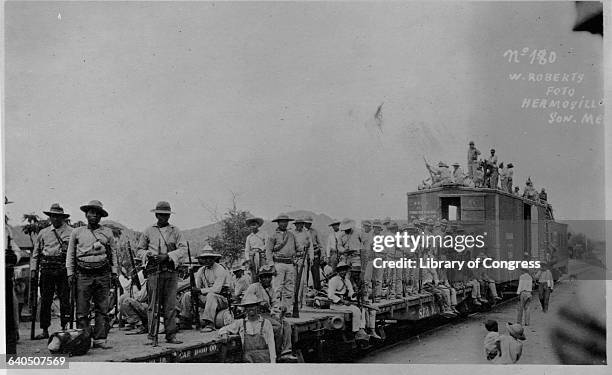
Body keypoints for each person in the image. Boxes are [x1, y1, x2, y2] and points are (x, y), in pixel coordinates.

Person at [66, 200, 119, 349]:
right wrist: (70, 273)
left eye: (97, 213)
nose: (94, 216)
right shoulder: (77, 232)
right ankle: (83, 339)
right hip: (83, 274)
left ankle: (100, 339)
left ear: (101, 216)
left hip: (102, 273)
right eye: (91, 212)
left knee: (102, 308)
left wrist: (114, 272)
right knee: (82, 310)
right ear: (86, 214)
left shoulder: (107, 232)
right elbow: (70, 254)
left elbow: (113, 253)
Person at [136, 201, 187, 344]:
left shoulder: (175, 231)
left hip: (170, 271)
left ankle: (171, 335)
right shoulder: (148, 231)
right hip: (154, 271)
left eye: (166, 215)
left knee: (170, 305)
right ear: (156, 214)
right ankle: (152, 336)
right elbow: (139, 250)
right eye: (161, 214)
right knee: (153, 304)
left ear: (169, 215)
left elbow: (183, 249)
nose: (163, 217)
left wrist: (168, 256)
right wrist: (148, 254)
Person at [31, 203, 73, 339]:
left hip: (63, 270)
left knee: (65, 300)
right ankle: (44, 329)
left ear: (63, 217)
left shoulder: (71, 232)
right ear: (50, 217)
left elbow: (74, 254)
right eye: (53, 216)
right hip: (47, 270)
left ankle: (65, 327)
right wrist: (33, 270)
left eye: (58, 216)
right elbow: (36, 253)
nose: (55, 219)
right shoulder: (43, 233)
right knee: (45, 301)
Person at [243, 265, 297, 361]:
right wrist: (259, 303)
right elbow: (246, 302)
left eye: (269, 277)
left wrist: (280, 308)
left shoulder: (271, 289)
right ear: (260, 278)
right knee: (277, 327)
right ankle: (276, 352)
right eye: (264, 277)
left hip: (268, 314)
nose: (267, 279)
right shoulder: (254, 287)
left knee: (286, 324)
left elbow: (274, 303)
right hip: (256, 314)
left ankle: (286, 351)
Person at [178, 248, 232, 332]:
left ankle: (209, 323)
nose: (207, 260)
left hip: (221, 299)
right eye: (204, 258)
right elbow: (197, 286)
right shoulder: (201, 270)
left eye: (209, 258)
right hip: (207, 298)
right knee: (188, 295)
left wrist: (200, 290)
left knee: (211, 295)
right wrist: (194, 289)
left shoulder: (220, 270)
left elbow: (217, 289)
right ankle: (186, 320)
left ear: (214, 258)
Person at [218, 294, 276, 363]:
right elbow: (223, 329)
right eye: (248, 306)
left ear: (257, 307)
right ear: (245, 309)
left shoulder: (266, 323)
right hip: (248, 362)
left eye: (253, 305)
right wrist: (224, 334)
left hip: (264, 361)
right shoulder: (241, 323)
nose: (251, 308)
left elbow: (271, 345)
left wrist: (273, 364)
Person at [266, 214, 299, 315]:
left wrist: (302, 249)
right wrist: (271, 265)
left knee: (289, 288)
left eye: (286, 222)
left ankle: (287, 309)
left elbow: (298, 248)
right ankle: (276, 309)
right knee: (277, 288)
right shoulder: (273, 236)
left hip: (290, 264)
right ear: (278, 223)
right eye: (282, 222)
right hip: (278, 263)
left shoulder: (291, 235)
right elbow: (268, 251)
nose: (284, 224)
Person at [327, 262, 369, 341]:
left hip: (345, 304)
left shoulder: (347, 281)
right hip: (336, 305)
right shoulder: (333, 280)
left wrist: (355, 294)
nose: (343, 272)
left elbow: (350, 293)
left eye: (344, 270)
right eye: (341, 270)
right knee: (356, 310)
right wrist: (343, 301)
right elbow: (331, 295)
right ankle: (356, 331)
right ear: (338, 271)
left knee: (362, 309)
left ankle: (361, 329)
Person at [119, 265, 148, 334]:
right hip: (148, 306)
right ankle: (133, 323)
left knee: (127, 301)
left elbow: (140, 298)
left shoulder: (149, 282)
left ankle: (138, 324)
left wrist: (135, 286)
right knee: (123, 298)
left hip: (150, 307)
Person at [292, 216, 313, 305]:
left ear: (303, 224)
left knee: (303, 281)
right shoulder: (292, 233)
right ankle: (293, 299)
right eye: (297, 224)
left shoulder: (307, 234)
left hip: (303, 258)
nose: (299, 226)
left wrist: (311, 257)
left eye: (300, 224)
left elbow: (310, 246)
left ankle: (302, 300)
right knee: (293, 280)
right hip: (294, 258)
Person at [363, 220, 383, 302]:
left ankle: (377, 296)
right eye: (375, 228)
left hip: (379, 259)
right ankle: (366, 295)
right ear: (373, 228)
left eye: (378, 228)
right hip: (371, 259)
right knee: (367, 279)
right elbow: (366, 248)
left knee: (378, 279)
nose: (376, 229)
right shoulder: (368, 236)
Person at [244, 217, 268, 283]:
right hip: (252, 256)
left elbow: (267, 244)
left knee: (263, 271)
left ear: (258, 225)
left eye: (254, 224)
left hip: (262, 256)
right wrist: (248, 259)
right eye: (251, 225)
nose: (253, 227)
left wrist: (261, 249)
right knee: (253, 273)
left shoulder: (264, 234)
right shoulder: (249, 237)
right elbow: (247, 249)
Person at [304, 216, 323, 291]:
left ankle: (317, 288)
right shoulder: (302, 232)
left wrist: (322, 254)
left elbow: (320, 243)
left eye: (310, 223)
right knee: (305, 272)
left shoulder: (314, 231)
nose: (308, 225)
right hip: (305, 254)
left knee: (315, 271)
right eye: (307, 223)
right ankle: (305, 288)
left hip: (315, 252)